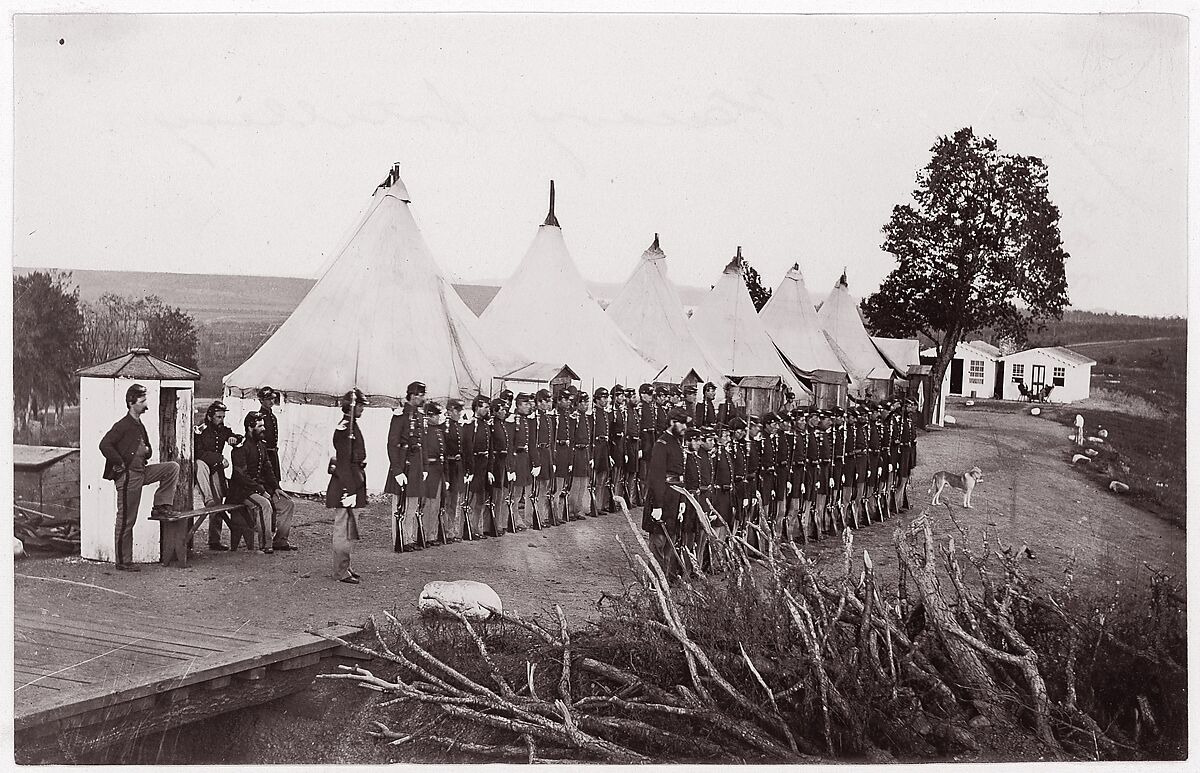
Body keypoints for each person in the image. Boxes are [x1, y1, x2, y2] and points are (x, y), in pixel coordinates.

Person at [99, 383, 180, 571]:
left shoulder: (138, 425)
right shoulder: (122, 425)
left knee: (171, 468)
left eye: (145, 400)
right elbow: (104, 445)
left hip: (141, 472)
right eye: (142, 401)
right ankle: (123, 561)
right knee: (127, 519)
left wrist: (147, 450)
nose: (145, 404)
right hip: (129, 477)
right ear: (131, 403)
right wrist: (120, 464)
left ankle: (161, 506)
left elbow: (146, 448)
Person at [229, 411, 297, 553]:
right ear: (250, 427)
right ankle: (266, 545)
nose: (263, 429)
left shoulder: (261, 445)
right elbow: (241, 477)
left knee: (287, 504)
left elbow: (268, 469)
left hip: (259, 489)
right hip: (242, 491)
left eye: (263, 425)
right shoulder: (241, 447)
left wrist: (276, 488)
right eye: (260, 426)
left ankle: (280, 540)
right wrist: (262, 491)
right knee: (264, 505)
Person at [326, 388, 366, 584]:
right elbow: (342, 462)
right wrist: (348, 490)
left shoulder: (352, 426)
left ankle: (346, 565)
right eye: (359, 405)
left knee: (351, 528)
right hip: (345, 484)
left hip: (354, 481)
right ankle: (340, 571)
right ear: (351, 406)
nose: (362, 409)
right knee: (343, 529)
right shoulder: (344, 429)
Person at [644, 407, 689, 579]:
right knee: (658, 542)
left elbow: (680, 475)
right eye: (682, 423)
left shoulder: (677, 443)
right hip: (662, 497)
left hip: (675, 497)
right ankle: (654, 580)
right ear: (672, 423)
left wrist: (683, 500)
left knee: (671, 538)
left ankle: (667, 577)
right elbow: (656, 476)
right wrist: (657, 505)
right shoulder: (661, 444)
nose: (684, 427)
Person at [386, 381, 427, 551]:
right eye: (420, 395)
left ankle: (409, 538)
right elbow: (392, 444)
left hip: (416, 465)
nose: (422, 398)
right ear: (412, 395)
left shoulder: (419, 417)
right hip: (403, 466)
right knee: (399, 506)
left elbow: (422, 443)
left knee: (412, 504)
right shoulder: (400, 417)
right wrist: (397, 470)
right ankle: (400, 539)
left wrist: (424, 467)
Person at [194, 400, 235, 551]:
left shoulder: (223, 430)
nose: (221, 420)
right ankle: (207, 498)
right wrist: (219, 458)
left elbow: (235, 437)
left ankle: (214, 540)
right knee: (200, 463)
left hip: (216, 468)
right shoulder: (201, 430)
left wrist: (234, 439)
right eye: (218, 417)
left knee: (218, 503)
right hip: (203, 467)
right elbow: (198, 452)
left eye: (223, 417)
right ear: (210, 417)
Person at [421, 401, 449, 544]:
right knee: (428, 505)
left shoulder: (438, 431)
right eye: (437, 414)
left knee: (436, 505)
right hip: (430, 470)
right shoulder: (425, 431)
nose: (439, 417)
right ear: (429, 415)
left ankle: (432, 534)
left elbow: (444, 454)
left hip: (439, 471)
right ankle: (425, 535)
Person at [508, 393, 534, 530]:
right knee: (514, 493)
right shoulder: (512, 420)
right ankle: (513, 519)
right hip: (516, 459)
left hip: (524, 459)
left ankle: (515, 518)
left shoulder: (525, 420)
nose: (529, 406)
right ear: (518, 405)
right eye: (526, 404)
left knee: (519, 492)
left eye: (529, 404)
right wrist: (510, 466)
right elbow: (510, 445)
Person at [531, 389, 556, 526]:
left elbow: (551, 440)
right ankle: (535, 518)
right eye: (547, 401)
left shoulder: (547, 418)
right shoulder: (535, 418)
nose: (549, 403)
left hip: (547, 454)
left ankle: (542, 516)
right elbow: (532, 441)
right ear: (539, 402)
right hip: (539, 453)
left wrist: (552, 460)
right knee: (537, 488)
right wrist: (536, 462)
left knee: (545, 487)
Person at [443, 398, 467, 542]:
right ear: (449, 411)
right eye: (457, 410)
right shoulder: (444, 427)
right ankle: (444, 530)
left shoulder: (459, 427)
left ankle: (450, 530)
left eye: (460, 410)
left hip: (457, 466)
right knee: (445, 501)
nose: (459, 413)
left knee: (454, 501)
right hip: (448, 466)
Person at [591, 387, 614, 514]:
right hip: (596, 447)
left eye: (607, 398)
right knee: (593, 479)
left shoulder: (606, 414)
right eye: (604, 398)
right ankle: (591, 506)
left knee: (602, 478)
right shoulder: (593, 414)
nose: (606, 400)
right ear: (597, 399)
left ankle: (598, 506)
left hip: (604, 448)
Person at [256, 386, 283, 484]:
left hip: (273, 453)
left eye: (273, 398)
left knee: (275, 480)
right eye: (268, 399)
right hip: (264, 454)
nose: (271, 401)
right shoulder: (259, 418)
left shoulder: (273, 417)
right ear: (261, 400)